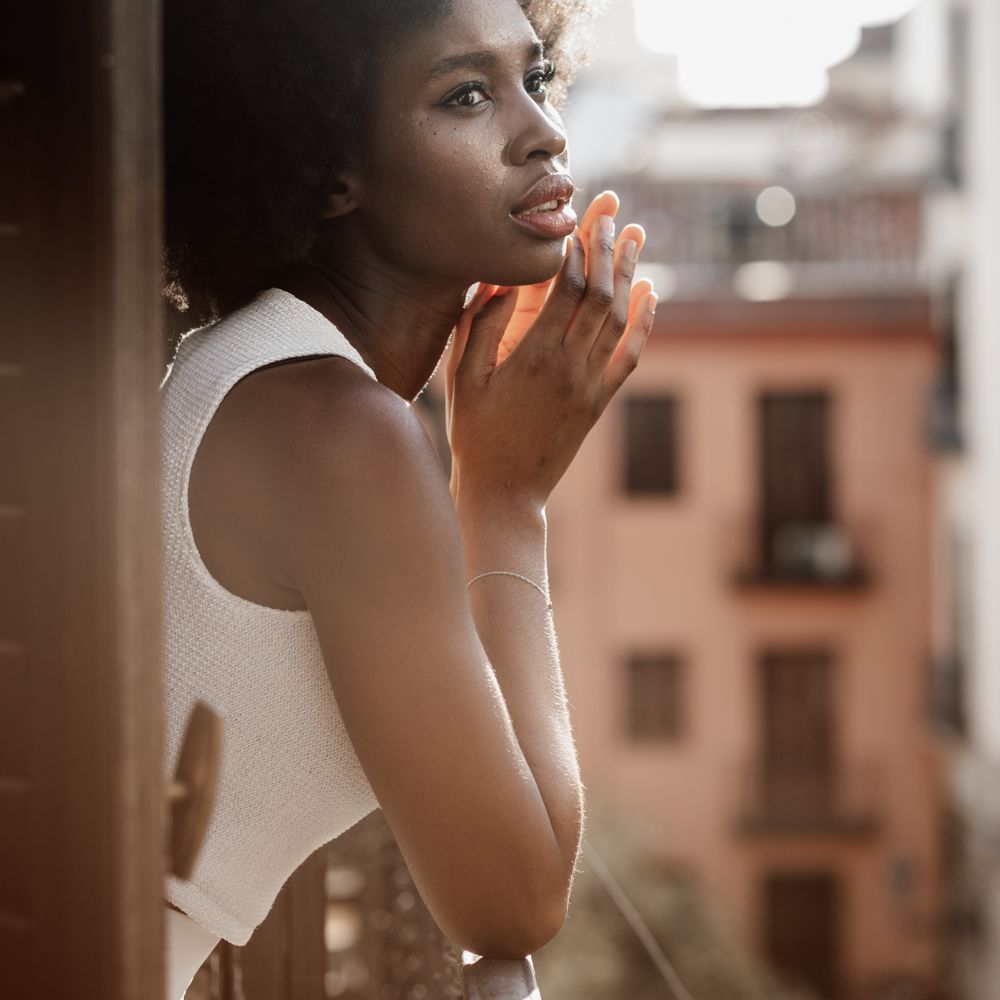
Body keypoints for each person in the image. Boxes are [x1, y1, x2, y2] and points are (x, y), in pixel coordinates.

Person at [160, 0, 658, 995]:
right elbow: (510, 902)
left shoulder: (258, 370)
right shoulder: (337, 432)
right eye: (467, 94)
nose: (544, 132)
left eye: (538, 78)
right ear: (329, 165)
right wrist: (508, 497)